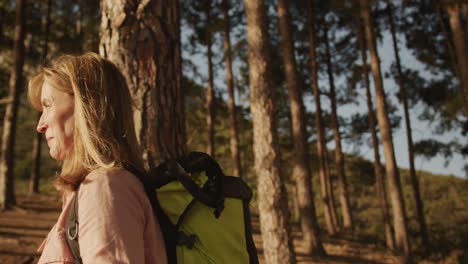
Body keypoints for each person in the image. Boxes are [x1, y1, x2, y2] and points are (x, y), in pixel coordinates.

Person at [28, 53, 168, 263]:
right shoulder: (96, 187)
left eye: (48, 105)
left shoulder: (105, 187)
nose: (40, 125)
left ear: (85, 105)